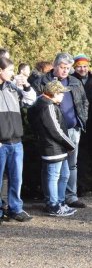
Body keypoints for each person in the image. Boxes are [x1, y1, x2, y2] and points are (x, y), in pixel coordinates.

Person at [32, 53, 89, 209]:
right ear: (54, 65)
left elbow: (84, 101)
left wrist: (81, 120)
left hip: (73, 128)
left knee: (71, 166)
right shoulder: (42, 82)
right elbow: (36, 106)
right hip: (52, 131)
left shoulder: (75, 81)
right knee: (51, 168)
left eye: (68, 68)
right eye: (63, 67)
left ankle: (69, 197)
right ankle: (52, 199)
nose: (65, 71)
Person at [27, 80, 76, 217]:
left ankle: (58, 202)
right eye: (61, 93)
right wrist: (70, 144)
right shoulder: (47, 106)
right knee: (54, 176)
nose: (63, 96)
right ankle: (54, 205)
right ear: (54, 93)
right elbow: (55, 130)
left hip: (54, 147)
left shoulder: (40, 103)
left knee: (62, 174)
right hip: (53, 148)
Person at [0, 57, 36, 221]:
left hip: (16, 141)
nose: (13, 73)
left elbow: (30, 100)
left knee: (16, 179)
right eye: (9, 70)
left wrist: (27, 85)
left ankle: (15, 208)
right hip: (1, 144)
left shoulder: (12, 88)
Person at [72, 53, 92, 193]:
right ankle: (82, 184)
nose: (82, 69)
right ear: (75, 67)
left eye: (85, 66)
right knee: (81, 154)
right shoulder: (71, 80)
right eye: (79, 67)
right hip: (79, 122)